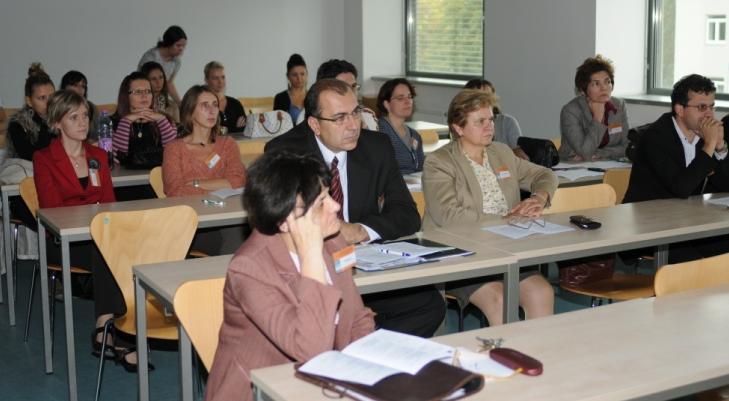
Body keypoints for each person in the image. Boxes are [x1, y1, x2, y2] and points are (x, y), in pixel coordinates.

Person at [266, 78, 444, 337]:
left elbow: (407, 215)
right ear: (315, 124)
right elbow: (281, 225)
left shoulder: (377, 147)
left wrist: (360, 230)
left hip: (363, 263)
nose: (352, 126)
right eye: (339, 118)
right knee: (323, 318)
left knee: (428, 306)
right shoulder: (286, 152)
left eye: (355, 113)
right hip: (312, 267)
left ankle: (365, 349)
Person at [204, 150, 375, 401]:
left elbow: (356, 318)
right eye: (321, 203)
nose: (335, 206)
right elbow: (311, 349)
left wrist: (375, 370)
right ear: (285, 221)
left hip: (321, 382)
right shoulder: (249, 268)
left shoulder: (335, 241)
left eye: (328, 195)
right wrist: (311, 255)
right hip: (259, 391)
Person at [422, 89, 556, 326]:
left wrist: (538, 198)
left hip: (504, 247)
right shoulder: (440, 162)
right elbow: (448, 215)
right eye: (480, 121)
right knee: (499, 299)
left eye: (491, 119)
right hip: (461, 251)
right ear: (458, 128)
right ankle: (508, 361)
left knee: (541, 292)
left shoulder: (500, 152)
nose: (489, 127)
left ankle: (536, 358)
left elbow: (544, 174)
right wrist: (505, 220)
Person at [32, 90, 138, 371]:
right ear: (57, 123)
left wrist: (97, 214)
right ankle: (118, 333)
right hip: (62, 239)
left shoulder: (98, 156)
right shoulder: (44, 158)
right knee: (106, 251)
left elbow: (110, 203)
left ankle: (107, 327)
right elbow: (53, 208)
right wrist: (93, 209)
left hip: (97, 236)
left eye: (85, 116)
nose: (83, 122)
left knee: (117, 248)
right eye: (74, 117)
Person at [624, 74, 729, 263]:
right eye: (701, 107)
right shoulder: (655, 138)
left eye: (712, 107)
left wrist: (721, 148)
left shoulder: (703, 136)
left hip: (688, 222)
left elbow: (724, 184)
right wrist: (709, 146)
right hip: (648, 226)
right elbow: (681, 188)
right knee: (698, 266)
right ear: (680, 109)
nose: (709, 114)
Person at [162, 85, 245, 196]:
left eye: (215, 105)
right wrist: (221, 187)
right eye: (205, 106)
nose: (212, 111)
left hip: (224, 211)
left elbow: (238, 182)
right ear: (190, 111)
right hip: (190, 212)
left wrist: (195, 183)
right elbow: (175, 191)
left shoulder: (228, 144)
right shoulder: (174, 149)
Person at [559, 55, 630, 161]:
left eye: (607, 82)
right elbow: (585, 153)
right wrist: (597, 119)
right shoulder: (570, 111)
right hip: (573, 167)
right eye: (596, 84)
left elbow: (628, 147)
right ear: (582, 91)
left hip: (607, 164)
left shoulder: (619, 106)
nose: (604, 88)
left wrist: (601, 153)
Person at [111, 71, 176, 169]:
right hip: (126, 182)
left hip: (160, 180)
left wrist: (162, 120)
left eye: (148, 91)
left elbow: (174, 153)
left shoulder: (165, 120)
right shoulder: (110, 123)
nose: (144, 96)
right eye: (138, 92)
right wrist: (126, 121)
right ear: (126, 96)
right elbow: (116, 158)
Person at [464, 78, 529, 160]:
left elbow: (522, 157)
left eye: (488, 97)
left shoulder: (507, 122)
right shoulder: (464, 124)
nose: (484, 101)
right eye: (478, 97)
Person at [7, 63, 55, 161]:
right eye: (42, 98)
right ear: (29, 101)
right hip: (26, 170)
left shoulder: (63, 118)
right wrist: (45, 124)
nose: (49, 102)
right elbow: (31, 156)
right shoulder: (17, 124)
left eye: (52, 96)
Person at [376, 78, 424, 173]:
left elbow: (420, 169)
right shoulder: (378, 132)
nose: (408, 102)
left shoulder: (415, 135)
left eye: (410, 97)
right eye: (400, 98)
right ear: (386, 104)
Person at [316, 59, 378, 130]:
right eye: (344, 87)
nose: (352, 93)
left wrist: (364, 127)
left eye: (354, 86)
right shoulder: (316, 118)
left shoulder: (367, 116)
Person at [138, 25, 187, 104]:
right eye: (178, 45)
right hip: (144, 97)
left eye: (183, 46)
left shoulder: (177, 62)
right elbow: (140, 83)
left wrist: (179, 103)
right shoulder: (151, 57)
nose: (181, 49)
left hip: (160, 98)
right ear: (169, 43)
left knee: (172, 111)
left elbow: (168, 83)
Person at [204, 61, 246, 134]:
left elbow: (244, 129)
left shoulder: (235, 104)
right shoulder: (203, 104)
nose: (220, 81)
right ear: (206, 80)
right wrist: (234, 129)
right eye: (215, 78)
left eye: (223, 77)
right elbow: (207, 131)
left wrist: (223, 130)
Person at [60, 70, 100, 139]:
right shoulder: (58, 107)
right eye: (75, 85)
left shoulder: (91, 107)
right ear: (65, 87)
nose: (80, 89)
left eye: (83, 86)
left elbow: (99, 135)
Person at [273, 54, 307, 123]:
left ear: (307, 74)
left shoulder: (314, 96)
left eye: (302, 74)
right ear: (288, 76)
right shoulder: (280, 98)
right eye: (294, 75)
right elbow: (277, 126)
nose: (299, 78)